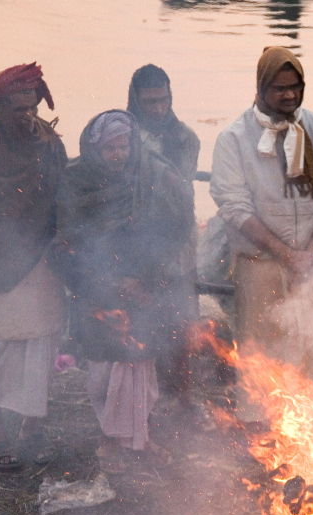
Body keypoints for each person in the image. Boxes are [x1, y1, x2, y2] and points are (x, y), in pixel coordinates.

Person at [210, 46, 313, 425]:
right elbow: (234, 205)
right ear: (260, 88)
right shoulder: (234, 138)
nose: (289, 95)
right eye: (280, 88)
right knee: (264, 356)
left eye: (296, 87)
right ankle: (262, 440)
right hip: (259, 267)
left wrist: (311, 250)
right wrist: (286, 254)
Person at [56, 110, 194, 471]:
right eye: (110, 148)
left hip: (143, 287)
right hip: (96, 288)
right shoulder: (77, 182)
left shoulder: (152, 176)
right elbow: (69, 238)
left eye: (124, 146)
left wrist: (144, 279)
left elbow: (174, 229)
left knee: (139, 364)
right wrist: (105, 280)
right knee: (104, 369)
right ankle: (109, 440)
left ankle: (137, 439)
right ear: (93, 149)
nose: (118, 155)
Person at [0, 62, 67, 470]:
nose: (26, 116)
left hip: (42, 259)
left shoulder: (49, 143)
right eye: (16, 109)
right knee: (1, 350)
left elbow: (63, 199)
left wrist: (63, 242)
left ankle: (32, 430)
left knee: (41, 346)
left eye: (31, 108)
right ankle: (1, 437)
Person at [127, 64, 202, 413]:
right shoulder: (122, 136)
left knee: (182, 318)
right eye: (150, 102)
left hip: (177, 240)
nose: (158, 109)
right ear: (136, 101)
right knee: (141, 319)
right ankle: (144, 400)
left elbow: (178, 193)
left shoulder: (185, 138)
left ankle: (184, 396)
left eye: (163, 100)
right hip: (134, 242)